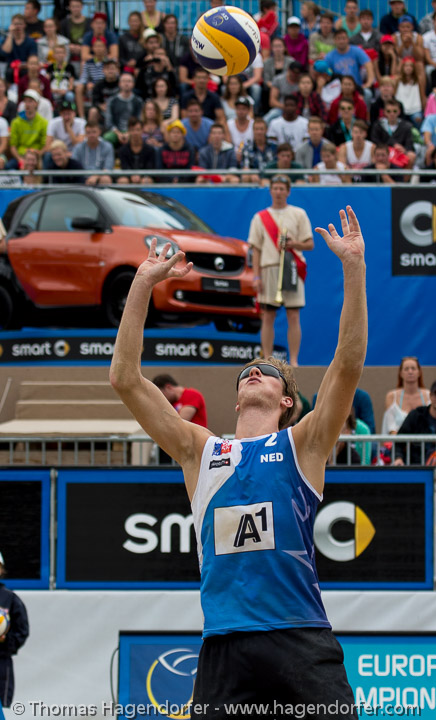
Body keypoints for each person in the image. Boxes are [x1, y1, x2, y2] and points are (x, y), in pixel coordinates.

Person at [110, 203, 366, 720]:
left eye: (267, 371)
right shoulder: (201, 450)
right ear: (235, 401)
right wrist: (142, 283)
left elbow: (348, 361)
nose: (253, 371)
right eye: (247, 371)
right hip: (225, 644)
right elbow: (125, 379)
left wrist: (354, 268)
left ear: (286, 400)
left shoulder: (303, 444)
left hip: (298, 636)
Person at [247, 174, 314, 365]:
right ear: (270, 191)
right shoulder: (259, 218)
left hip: (292, 268)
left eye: (282, 189)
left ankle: (294, 360)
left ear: (288, 191)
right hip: (269, 269)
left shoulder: (299, 214)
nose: (278, 192)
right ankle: (267, 358)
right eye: (275, 188)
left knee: (293, 315)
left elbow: (310, 244)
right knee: (268, 315)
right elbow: (256, 250)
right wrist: (256, 276)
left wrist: (293, 244)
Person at [394, 377, 436, 465]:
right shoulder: (416, 415)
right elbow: (399, 441)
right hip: (415, 466)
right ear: (430, 395)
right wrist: (398, 458)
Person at [0, 551, 29, 709]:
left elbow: (22, 630)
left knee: (1, 706)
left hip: (1, 661)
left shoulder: (9, 598)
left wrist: (6, 640)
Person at [325, 28, 375, 104]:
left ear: (347, 39)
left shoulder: (356, 50)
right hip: (339, 88)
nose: (341, 41)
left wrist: (369, 83)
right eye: (338, 39)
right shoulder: (329, 56)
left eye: (343, 38)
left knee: (368, 93)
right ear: (334, 40)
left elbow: (368, 65)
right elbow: (327, 73)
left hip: (357, 87)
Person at [382, 356, 430, 435]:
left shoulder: (429, 395)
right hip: (398, 441)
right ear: (400, 373)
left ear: (419, 372)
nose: (410, 372)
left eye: (413, 368)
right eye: (406, 369)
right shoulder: (391, 397)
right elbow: (391, 428)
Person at [370, 98, 416, 168]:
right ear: (384, 112)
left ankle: (404, 175)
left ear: (399, 112)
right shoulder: (378, 125)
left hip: (400, 155)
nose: (392, 114)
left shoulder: (406, 126)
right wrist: (392, 146)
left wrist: (403, 149)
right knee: (373, 150)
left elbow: (409, 144)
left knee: (411, 155)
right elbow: (375, 141)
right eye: (388, 111)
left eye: (395, 111)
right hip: (383, 154)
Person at [8, 89, 48, 169]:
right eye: (25, 101)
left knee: (47, 161)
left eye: (30, 101)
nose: (27, 104)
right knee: (9, 167)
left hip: (37, 156)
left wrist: (36, 156)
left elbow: (45, 145)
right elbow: (13, 146)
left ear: (37, 104)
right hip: (21, 155)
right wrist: (20, 159)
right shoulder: (16, 122)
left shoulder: (44, 122)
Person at [104, 73, 143, 146]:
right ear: (119, 84)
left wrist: (129, 133)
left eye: (129, 81)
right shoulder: (112, 101)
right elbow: (109, 122)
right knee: (107, 138)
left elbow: (139, 119)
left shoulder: (138, 101)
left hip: (133, 131)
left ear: (133, 84)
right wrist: (118, 133)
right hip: (116, 131)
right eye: (124, 81)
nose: (126, 84)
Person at [117, 116, 156, 184]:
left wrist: (140, 176)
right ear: (128, 131)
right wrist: (131, 176)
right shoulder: (123, 150)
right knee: (122, 181)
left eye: (138, 130)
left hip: (144, 177)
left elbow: (150, 168)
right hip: (128, 177)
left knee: (146, 181)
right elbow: (124, 167)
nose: (135, 133)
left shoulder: (150, 150)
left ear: (142, 130)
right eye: (132, 130)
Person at [240, 117, 277, 183]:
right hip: (254, 177)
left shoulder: (274, 146)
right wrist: (252, 174)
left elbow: (278, 165)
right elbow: (246, 166)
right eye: (256, 129)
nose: (259, 132)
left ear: (266, 130)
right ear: (253, 130)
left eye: (261, 129)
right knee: (246, 176)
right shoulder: (247, 147)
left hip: (272, 176)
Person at [157, 119, 195, 183]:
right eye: (173, 132)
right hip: (165, 183)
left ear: (183, 134)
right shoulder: (162, 149)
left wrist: (180, 180)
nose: (175, 134)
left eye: (178, 132)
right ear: (169, 134)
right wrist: (170, 180)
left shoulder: (190, 149)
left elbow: (190, 169)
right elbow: (159, 169)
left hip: (185, 183)